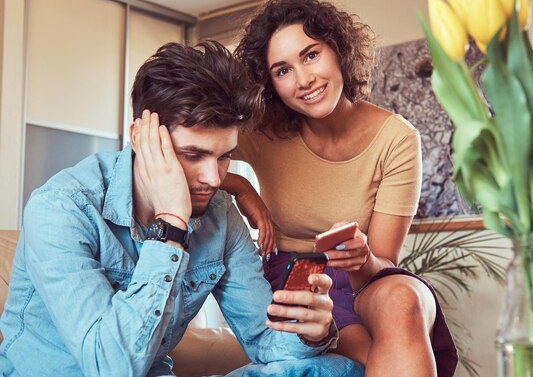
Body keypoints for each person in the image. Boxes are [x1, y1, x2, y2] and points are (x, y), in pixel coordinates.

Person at [0, 41, 364, 377]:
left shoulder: (219, 216)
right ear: (142, 138)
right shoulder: (61, 208)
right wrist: (171, 225)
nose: (212, 178)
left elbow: (265, 344)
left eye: (225, 157)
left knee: (334, 369)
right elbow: (110, 367)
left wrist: (310, 334)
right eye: (192, 156)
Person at [221, 0, 458, 377]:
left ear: (338, 49)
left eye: (311, 55)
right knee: (366, 354)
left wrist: (363, 259)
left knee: (402, 300)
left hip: (367, 277)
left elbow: (383, 264)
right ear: (270, 84)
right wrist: (238, 186)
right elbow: (183, 153)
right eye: (282, 71)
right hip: (298, 277)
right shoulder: (263, 133)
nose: (304, 80)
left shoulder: (396, 138)